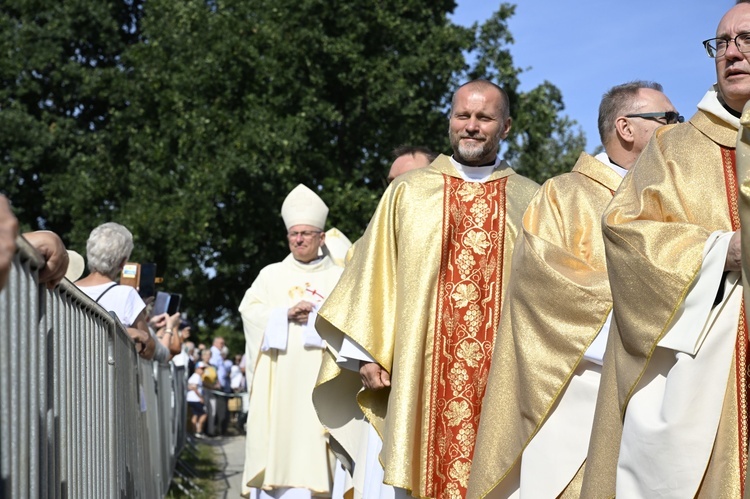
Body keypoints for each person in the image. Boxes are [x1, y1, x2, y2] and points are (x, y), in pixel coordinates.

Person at [314, 79, 539, 498]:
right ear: (450, 120)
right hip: (418, 376)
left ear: (505, 126)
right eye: (462, 115)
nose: (471, 126)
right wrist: (367, 354)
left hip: (500, 383)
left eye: (484, 118)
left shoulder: (532, 200)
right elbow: (375, 274)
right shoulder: (408, 192)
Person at [466, 82, 679, 498]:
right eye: (668, 120)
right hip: (583, 390)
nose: (678, 129)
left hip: (663, 390)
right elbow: (545, 286)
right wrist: (650, 307)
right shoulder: (564, 194)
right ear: (626, 128)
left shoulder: (673, 195)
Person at [581, 3, 750, 497]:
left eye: (746, 39)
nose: (733, 52)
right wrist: (721, 253)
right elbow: (628, 235)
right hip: (704, 378)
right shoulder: (674, 147)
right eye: (722, 43)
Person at [239, 183, 345, 498]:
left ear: (321, 238)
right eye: (293, 234)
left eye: (306, 234)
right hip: (280, 385)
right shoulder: (270, 275)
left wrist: (314, 319)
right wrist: (283, 315)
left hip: (321, 382)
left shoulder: (339, 277)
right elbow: (249, 311)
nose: (298, 239)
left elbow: (351, 323)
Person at [75, 222, 156, 360]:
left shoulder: (64, 290)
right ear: (123, 262)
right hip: (105, 378)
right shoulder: (126, 295)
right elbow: (147, 350)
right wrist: (143, 336)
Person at [187, 361, 208, 438]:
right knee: (203, 414)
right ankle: (198, 430)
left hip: (191, 398)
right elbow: (194, 387)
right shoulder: (196, 376)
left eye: (203, 369)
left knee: (195, 415)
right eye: (201, 369)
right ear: (197, 369)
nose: (203, 370)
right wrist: (200, 397)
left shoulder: (195, 376)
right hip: (195, 399)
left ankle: (195, 431)